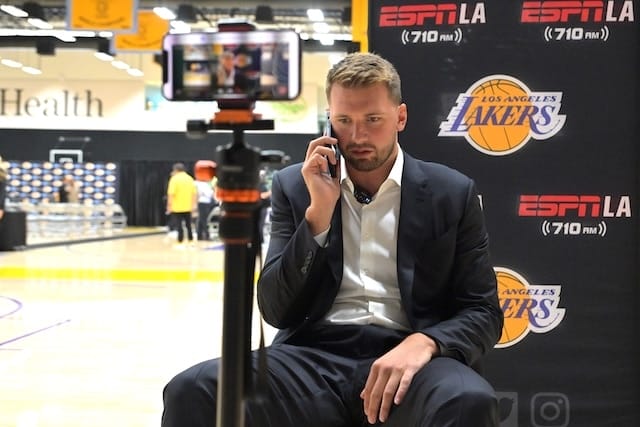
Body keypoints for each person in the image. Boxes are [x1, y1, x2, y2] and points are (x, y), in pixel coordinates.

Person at [162, 52, 504, 426]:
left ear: (400, 117)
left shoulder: (451, 192)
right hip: (312, 356)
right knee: (193, 388)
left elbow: (483, 311)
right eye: (344, 121)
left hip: (410, 354)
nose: (357, 136)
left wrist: (425, 344)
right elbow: (275, 310)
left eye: (373, 119)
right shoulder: (295, 186)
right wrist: (318, 214)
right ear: (329, 121)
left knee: (468, 400)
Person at [166, 162, 196, 247]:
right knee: (188, 224)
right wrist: (194, 205)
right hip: (188, 206)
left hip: (177, 207)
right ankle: (190, 240)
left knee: (179, 225)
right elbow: (194, 193)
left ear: (176, 170)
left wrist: (169, 206)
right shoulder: (190, 178)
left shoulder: (174, 179)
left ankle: (180, 240)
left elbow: (171, 194)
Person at [195, 176, 215, 241]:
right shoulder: (201, 184)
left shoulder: (201, 183)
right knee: (203, 220)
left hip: (204, 202)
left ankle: (199, 236)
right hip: (203, 202)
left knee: (201, 219)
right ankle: (207, 235)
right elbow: (209, 193)